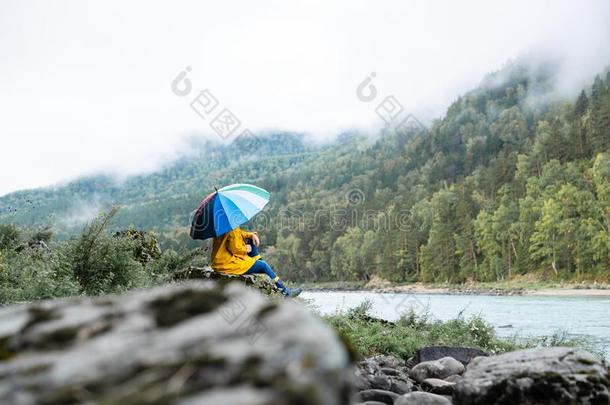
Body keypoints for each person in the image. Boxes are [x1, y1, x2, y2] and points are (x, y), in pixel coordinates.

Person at [211, 226, 302, 297]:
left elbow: (239, 234)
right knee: (263, 265)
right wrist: (245, 249)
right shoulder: (230, 227)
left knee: (250, 240)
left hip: (221, 261)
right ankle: (285, 292)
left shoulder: (223, 223)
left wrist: (251, 235)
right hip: (227, 263)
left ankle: (258, 264)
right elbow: (235, 249)